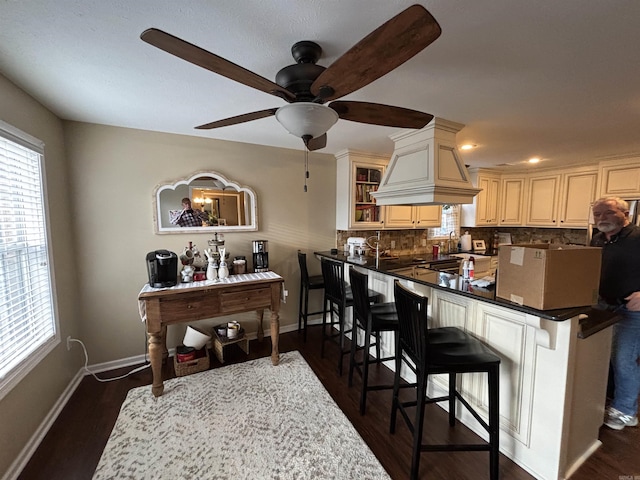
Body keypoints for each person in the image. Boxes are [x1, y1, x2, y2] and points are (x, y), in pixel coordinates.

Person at [590, 196, 640, 430]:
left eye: (608, 212)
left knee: (623, 359)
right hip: (602, 305)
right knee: (600, 354)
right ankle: (606, 400)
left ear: (625, 214)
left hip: (631, 309)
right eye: (597, 214)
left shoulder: (638, 237)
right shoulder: (598, 239)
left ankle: (626, 411)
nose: (601, 218)